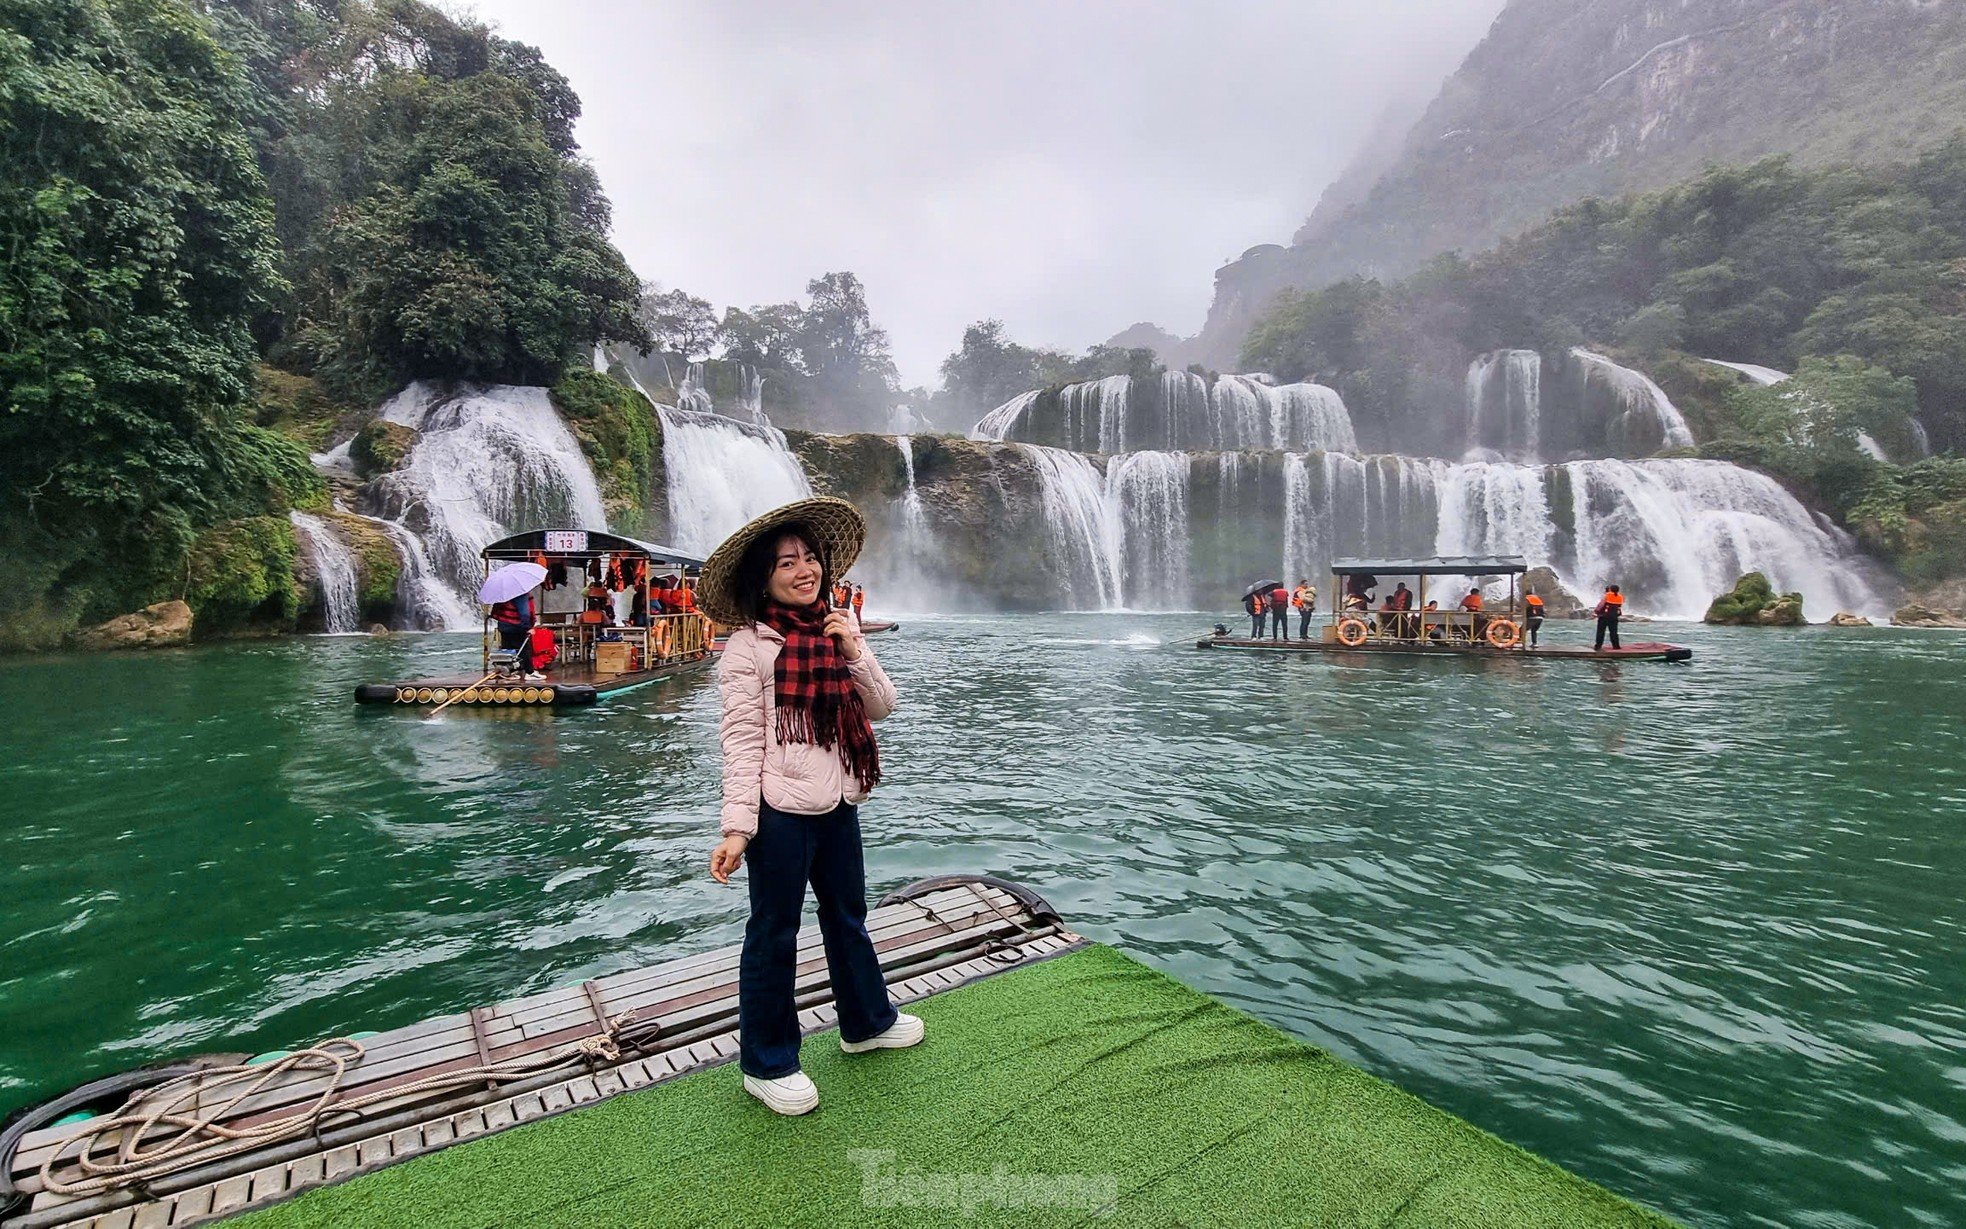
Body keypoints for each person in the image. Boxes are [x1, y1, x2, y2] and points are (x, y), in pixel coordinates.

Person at [703, 498, 915, 1117]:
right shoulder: (748, 648)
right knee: (774, 931)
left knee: (848, 916)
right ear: (763, 578)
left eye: (810, 559)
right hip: (780, 811)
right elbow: (741, 740)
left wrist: (854, 648)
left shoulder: (835, 627)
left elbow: (882, 708)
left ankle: (867, 1023)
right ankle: (767, 1063)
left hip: (840, 798)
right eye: (787, 562)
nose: (805, 570)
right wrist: (738, 828)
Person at [490, 589, 535, 671]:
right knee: (524, 649)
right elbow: (524, 613)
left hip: (503, 625)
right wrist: (528, 628)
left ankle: (509, 671)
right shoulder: (520, 593)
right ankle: (529, 672)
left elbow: (496, 609)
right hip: (516, 625)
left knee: (507, 650)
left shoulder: (503, 592)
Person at [1594, 584, 1624, 650]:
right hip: (1614, 617)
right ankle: (1616, 646)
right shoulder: (1620, 597)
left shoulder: (1607, 595)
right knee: (1613, 632)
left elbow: (1601, 605)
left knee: (1600, 632)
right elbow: (1619, 606)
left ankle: (1598, 646)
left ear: (1610, 589)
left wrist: (1596, 611)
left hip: (1604, 617)